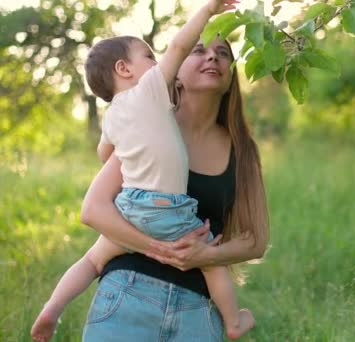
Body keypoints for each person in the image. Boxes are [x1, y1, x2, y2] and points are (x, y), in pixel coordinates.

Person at [30, 1, 267, 341]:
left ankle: (53, 308)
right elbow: (92, 209)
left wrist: (206, 254)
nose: (213, 57)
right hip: (127, 292)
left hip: (196, 310)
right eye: (199, 49)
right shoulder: (150, 119)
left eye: (224, 53)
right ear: (175, 74)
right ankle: (234, 322)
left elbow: (256, 242)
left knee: (93, 258)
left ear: (232, 77)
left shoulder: (241, 151)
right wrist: (158, 247)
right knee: (103, 258)